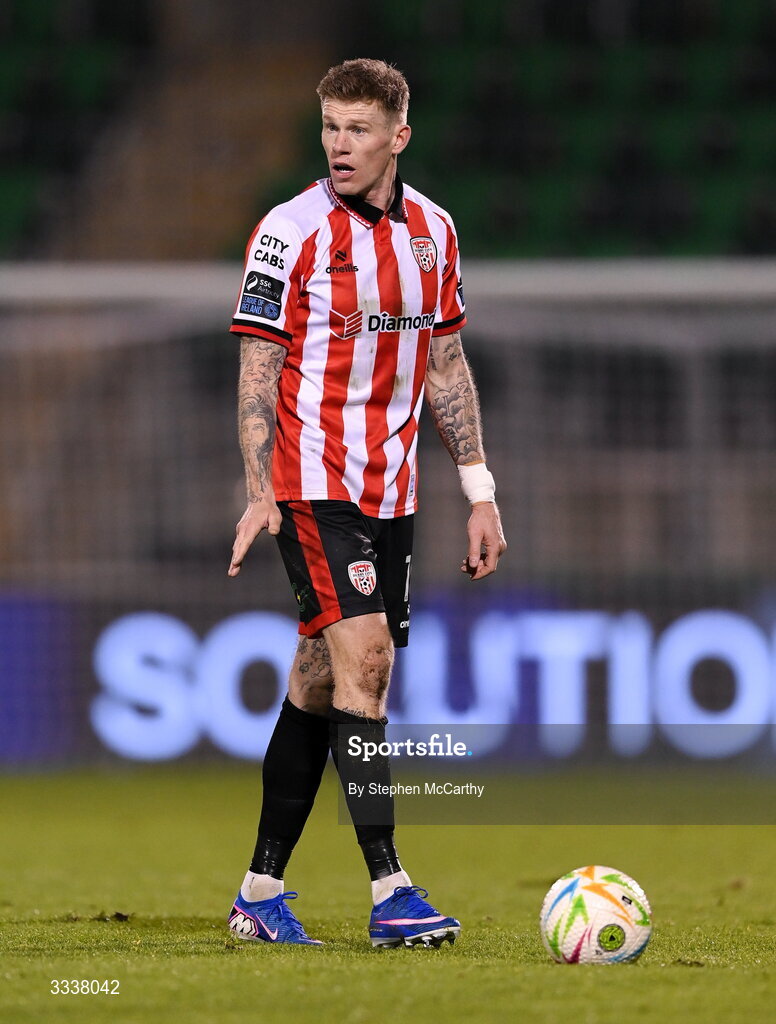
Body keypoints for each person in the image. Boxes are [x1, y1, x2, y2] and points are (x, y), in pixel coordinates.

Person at [225, 58, 506, 948]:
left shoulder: (435, 233)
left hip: (392, 493)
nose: (338, 145)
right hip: (313, 485)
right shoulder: (290, 231)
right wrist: (259, 487)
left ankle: (258, 893)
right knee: (369, 666)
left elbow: (446, 365)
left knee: (319, 682)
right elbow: (257, 371)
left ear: (398, 137)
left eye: (357, 129)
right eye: (329, 128)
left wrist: (479, 491)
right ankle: (393, 892)